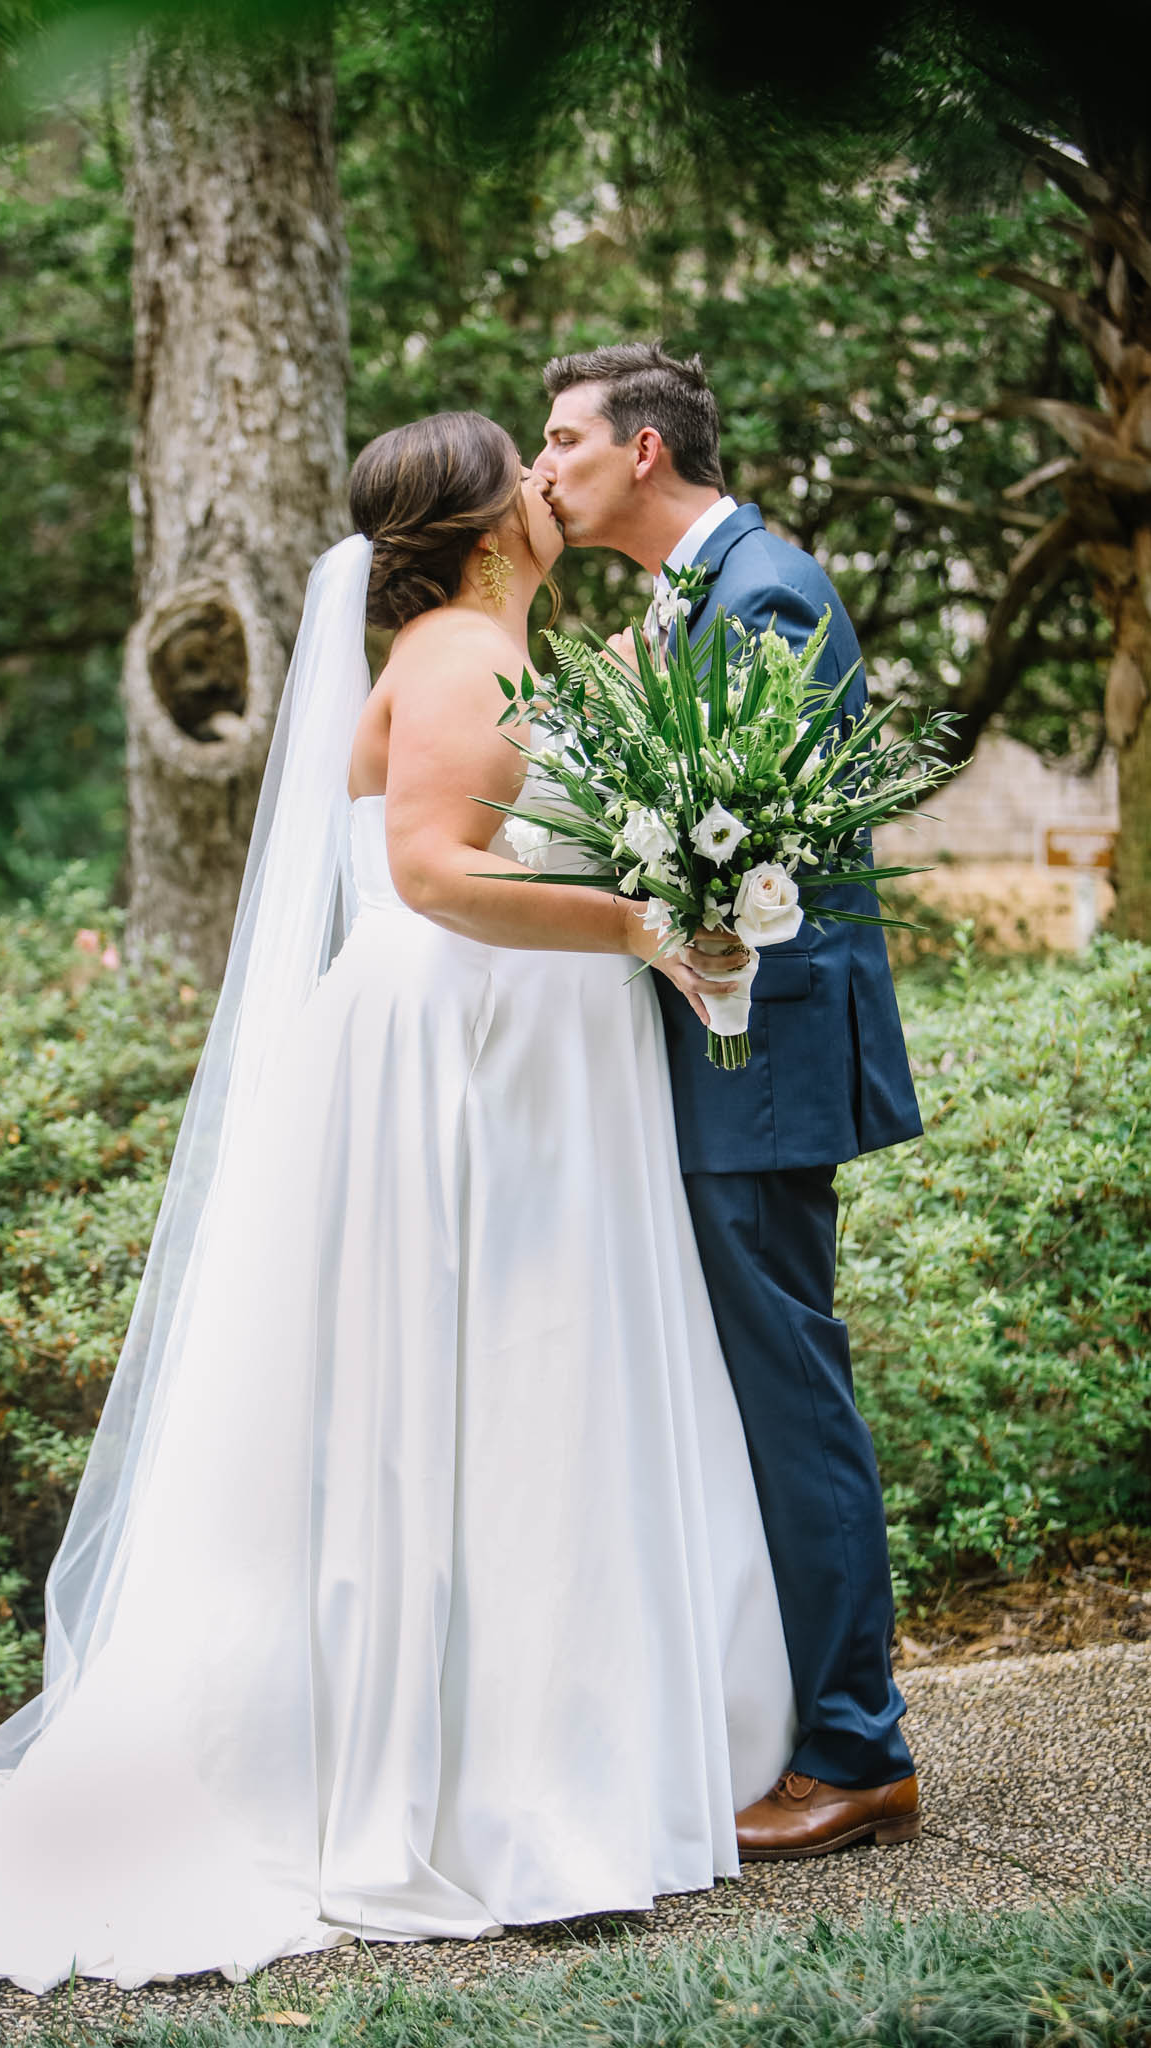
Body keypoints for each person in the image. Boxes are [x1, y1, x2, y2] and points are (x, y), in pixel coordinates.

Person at [0, 412, 795, 1993]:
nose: (553, 484)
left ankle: (528, 1746)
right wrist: (650, 928)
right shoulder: (463, 655)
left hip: (513, 1047)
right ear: (481, 534)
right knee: (486, 1389)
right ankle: (483, 1786)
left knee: (504, 1394)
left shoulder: (491, 649)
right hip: (467, 1053)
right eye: (525, 472)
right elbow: (431, 872)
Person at [534, 344, 924, 1860]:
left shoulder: (760, 587)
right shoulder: (687, 591)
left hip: (751, 1057)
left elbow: (772, 858)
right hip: (705, 1046)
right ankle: (780, 1714)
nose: (540, 466)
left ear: (641, 451)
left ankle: (855, 1749)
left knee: (787, 1392)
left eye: (561, 440)